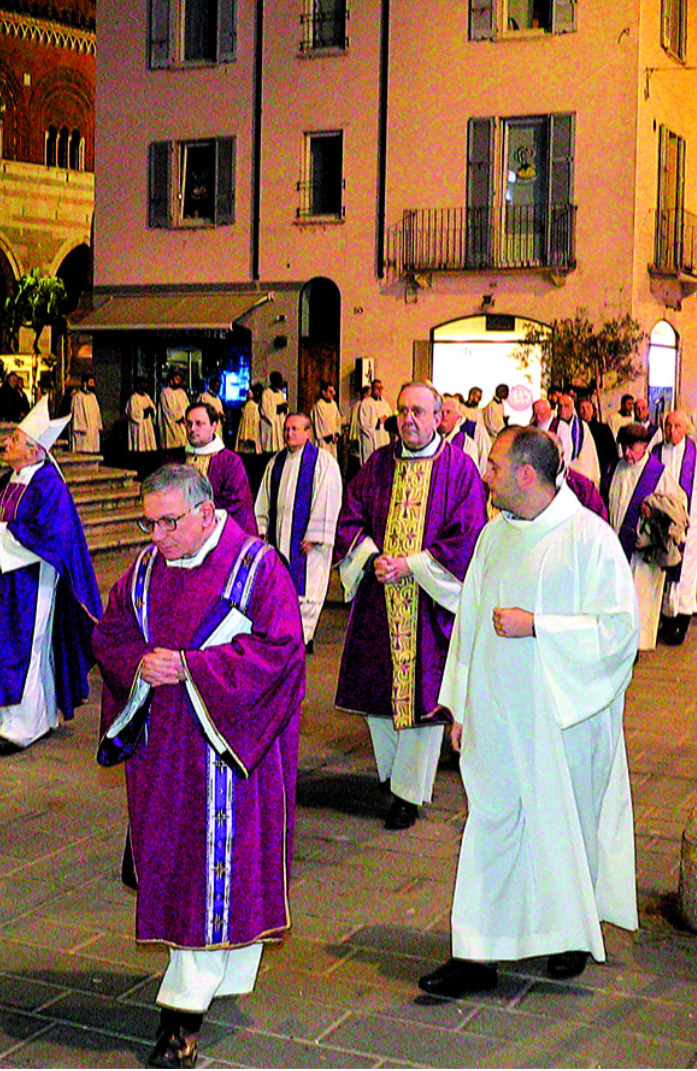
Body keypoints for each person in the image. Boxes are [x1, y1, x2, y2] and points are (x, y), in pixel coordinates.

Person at [91, 464, 304, 1070]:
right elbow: (109, 636)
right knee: (181, 872)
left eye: (168, 522)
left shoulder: (256, 568)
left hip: (227, 756)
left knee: (208, 878)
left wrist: (192, 668)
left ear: (206, 513)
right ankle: (205, 982)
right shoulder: (143, 572)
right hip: (164, 755)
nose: (156, 536)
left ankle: (180, 1015)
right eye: (148, 523)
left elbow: (282, 652)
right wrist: (139, 663)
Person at [417, 426, 640, 998]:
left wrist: (538, 626)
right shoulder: (494, 536)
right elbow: (469, 623)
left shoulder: (589, 538)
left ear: (525, 474)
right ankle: (476, 952)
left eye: (493, 465)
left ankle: (567, 936)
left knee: (562, 826)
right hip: (496, 715)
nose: (484, 474)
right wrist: (460, 706)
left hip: (563, 721)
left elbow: (620, 633)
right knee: (490, 825)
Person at [335, 382, 488, 829]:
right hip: (379, 596)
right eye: (403, 411)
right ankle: (392, 776)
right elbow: (351, 513)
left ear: (439, 417)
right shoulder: (379, 463)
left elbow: (467, 532)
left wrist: (412, 565)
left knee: (423, 699)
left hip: (428, 601)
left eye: (419, 411)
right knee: (378, 693)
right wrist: (371, 556)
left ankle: (408, 794)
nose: (409, 419)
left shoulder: (458, 468)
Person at [0, 401, 104, 754]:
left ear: (34, 450)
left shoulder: (49, 486)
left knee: (27, 646)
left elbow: (55, 537)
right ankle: (22, 720)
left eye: (14, 439)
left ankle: (22, 728)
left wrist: (3, 532)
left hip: (32, 579)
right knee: (5, 644)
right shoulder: (7, 481)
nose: (6, 443)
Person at [607, 409, 697, 648]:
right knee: (650, 590)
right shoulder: (652, 453)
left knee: (681, 582)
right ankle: (660, 624)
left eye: (677, 426)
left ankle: (679, 624)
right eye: (668, 426)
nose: (671, 431)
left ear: (686, 429)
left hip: (684, 532)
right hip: (640, 537)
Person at [256, 412, 344, 651]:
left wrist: (315, 535)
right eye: (286, 429)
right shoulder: (275, 462)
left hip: (307, 544)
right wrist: (262, 527)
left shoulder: (322, 462)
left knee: (307, 591)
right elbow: (264, 498)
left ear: (308, 433)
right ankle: (284, 635)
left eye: (295, 429)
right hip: (278, 539)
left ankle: (304, 637)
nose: (289, 433)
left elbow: (328, 498)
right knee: (279, 588)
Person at [182, 402, 258, 534]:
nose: (192, 429)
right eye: (189, 424)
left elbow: (238, 509)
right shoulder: (178, 459)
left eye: (199, 424)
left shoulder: (230, 462)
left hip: (218, 536)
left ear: (214, 425)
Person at [550, 393, 601, 486]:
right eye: (560, 406)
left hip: (579, 472)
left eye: (566, 406)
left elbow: (589, 456)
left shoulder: (582, 427)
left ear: (572, 408)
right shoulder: (552, 426)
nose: (562, 409)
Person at [355, 379, 394, 464]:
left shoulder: (385, 404)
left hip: (383, 439)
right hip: (371, 441)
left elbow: (390, 418)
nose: (380, 390)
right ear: (372, 389)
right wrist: (378, 422)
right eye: (377, 388)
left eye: (381, 388)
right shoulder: (365, 403)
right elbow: (363, 423)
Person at [439, 394, 483, 470]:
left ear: (457, 416)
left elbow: (471, 473)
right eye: (441, 412)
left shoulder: (468, 444)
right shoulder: (428, 439)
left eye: (448, 412)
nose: (444, 415)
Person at [127, 379, 160, 468]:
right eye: (143, 384)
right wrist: (143, 412)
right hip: (139, 426)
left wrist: (152, 411)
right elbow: (132, 413)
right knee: (139, 445)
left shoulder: (147, 397)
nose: (145, 386)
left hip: (147, 425)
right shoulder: (134, 398)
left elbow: (153, 408)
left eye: (146, 384)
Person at [70, 376, 103, 455]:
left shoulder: (93, 397)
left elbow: (97, 413)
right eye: (91, 382)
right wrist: (81, 427)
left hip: (93, 431)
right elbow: (77, 414)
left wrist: (98, 425)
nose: (93, 385)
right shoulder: (78, 397)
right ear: (85, 384)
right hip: (84, 432)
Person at [160, 371, 191, 454]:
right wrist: (178, 418)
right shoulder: (165, 393)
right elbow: (167, 410)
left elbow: (187, 406)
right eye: (177, 379)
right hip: (172, 425)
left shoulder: (182, 392)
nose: (179, 381)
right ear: (171, 380)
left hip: (183, 424)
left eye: (179, 379)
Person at [260, 371, 290, 454]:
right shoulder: (266, 393)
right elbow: (266, 411)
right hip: (272, 426)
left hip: (280, 424)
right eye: (279, 380)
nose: (281, 382)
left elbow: (286, 408)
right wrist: (278, 408)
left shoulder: (280, 393)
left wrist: (285, 408)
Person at [312, 382, 343, 458]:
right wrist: (328, 435)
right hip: (323, 441)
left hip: (333, 441)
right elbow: (320, 423)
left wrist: (337, 433)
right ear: (324, 392)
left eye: (333, 391)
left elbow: (338, 419)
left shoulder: (334, 404)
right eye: (330, 392)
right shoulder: (319, 405)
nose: (333, 394)